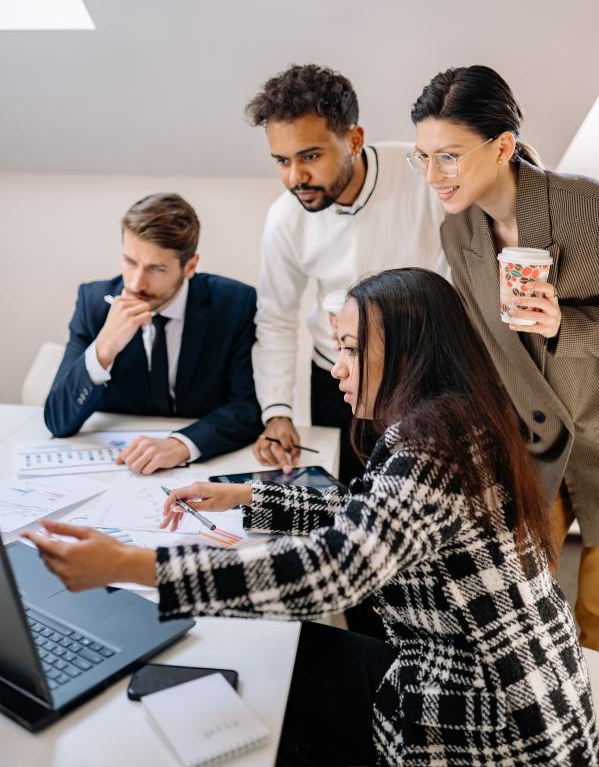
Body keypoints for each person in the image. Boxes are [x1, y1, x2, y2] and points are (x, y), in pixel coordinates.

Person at [26, 269, 599, 767]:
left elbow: (336, 568)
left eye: (351, 350)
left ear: (408, 352)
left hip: (495, 723)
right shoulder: (459, 418)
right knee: (281, 655)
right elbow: (377, 514)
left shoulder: (430, 448)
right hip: (524, 684)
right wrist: (248, 498)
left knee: (270, 676)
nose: (338, 371)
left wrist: (128, 563)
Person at [409, 64, 599, 653]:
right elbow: (483, 346)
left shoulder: (584, 208)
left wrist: (568, 321)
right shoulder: (457, 234)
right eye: (423, 157)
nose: (435, 176)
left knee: (596, 616)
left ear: (504, 147)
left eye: (450, 156)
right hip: (532, 442)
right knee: (515, 602)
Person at [246, 63, 447, 487]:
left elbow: (460, 275)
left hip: (420, 374)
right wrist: (277, 410)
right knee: (348, 504)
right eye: (281, 161)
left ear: (354, 140)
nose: (295, 177)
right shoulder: (285, 219)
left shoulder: (421, 177)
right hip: (338, 381)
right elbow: (276, 319)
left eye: (310, 156)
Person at [44, 193, 262, 471]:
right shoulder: (93, 303)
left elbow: (247, 408)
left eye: (156, 268)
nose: (135, 283)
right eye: (129, 261)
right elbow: (57, 421)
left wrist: (182, 445)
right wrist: (104, 347)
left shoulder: (234, 303)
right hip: (115, 467)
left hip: (206, 467)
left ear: (191, 266)